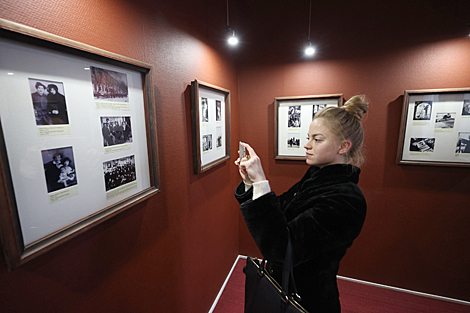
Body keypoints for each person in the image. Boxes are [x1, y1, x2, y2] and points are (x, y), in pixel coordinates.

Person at [235, 95, 369, 313]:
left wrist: (262, 183)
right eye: (309, 137)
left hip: (306, 301)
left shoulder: (347, 200)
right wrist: (252, 184)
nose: (306, 145)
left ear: (343, 146)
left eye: (317, 139)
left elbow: (282, 249)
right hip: (282, 288)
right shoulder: (315, 178)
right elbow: (280, 212)